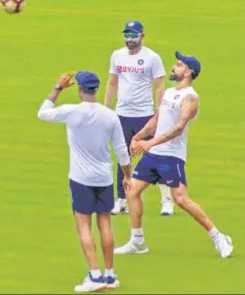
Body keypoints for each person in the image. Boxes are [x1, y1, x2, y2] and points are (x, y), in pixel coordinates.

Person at [114, 51, 233, 258]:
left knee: (181, 200)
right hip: (154, 154)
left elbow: (178, 128)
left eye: (178, 65)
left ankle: (218, 237)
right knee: (131, 191)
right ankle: (137, 241)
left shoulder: (190, 99)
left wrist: (150, 143)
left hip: (171, 157)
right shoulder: (169, 92)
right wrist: (139, 137)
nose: (173, 67)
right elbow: (156, 120)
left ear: (188, 72)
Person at [37, 71, 132, 292]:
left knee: (84, 227)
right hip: (105, 178)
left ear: (80, 89)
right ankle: (110, 276)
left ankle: (94, 275)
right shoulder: (110, 116)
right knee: (105, 224)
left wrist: (58, 88)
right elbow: (121, 151)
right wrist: (127, 176)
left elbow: (42, 113)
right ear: (96, 89)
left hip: (81, 179)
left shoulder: (72, 112)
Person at [104, 20, 174, 216]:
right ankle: (122, 199)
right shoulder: (117, 56)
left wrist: (160, 113)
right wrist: (106, 109)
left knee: (155, 156)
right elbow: (112, 83)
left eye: (133, 35)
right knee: (122, 157)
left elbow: (160, 86)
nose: (129, 39)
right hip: (122, 114)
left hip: (144, 114)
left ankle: (166, 200)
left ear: (142, 35)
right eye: (126, 35)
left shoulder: (152, 58)